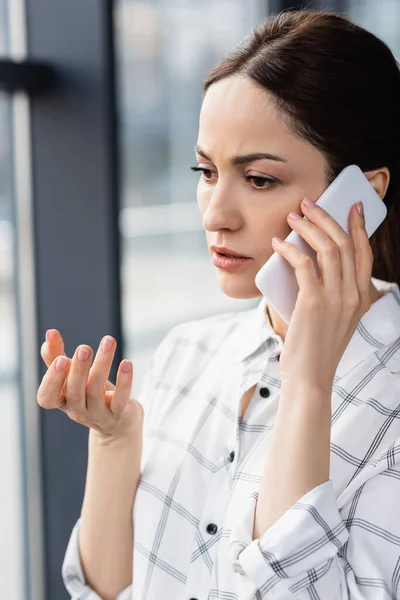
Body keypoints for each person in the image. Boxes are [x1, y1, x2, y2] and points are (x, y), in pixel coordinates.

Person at [38, 8, 400, 600]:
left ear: (362, 195)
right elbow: (102, 593)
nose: (213, 214)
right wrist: (114, 441)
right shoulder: (187, 353)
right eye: (205, 171)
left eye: (258, 179)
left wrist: (307, 383)